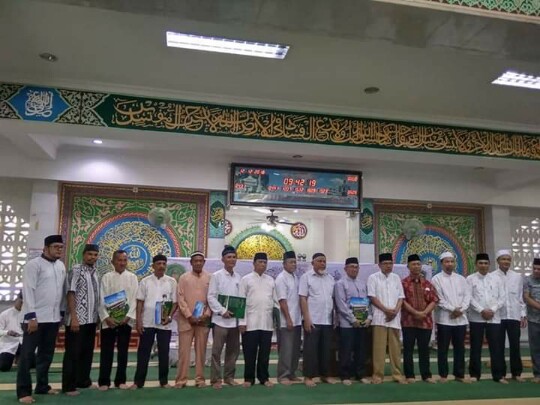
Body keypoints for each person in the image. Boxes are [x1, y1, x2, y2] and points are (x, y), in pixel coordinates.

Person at [17, 234, 66, 404]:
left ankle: (42, 386)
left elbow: (60, 292)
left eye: (61, 247)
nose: (59, 249)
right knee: (27, 356)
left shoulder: (60, 266)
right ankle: (23, 392)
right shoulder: (33, 265)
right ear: (46, 248)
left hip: (52, 319)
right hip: (34, 319)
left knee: (46, 354)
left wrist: (60, 314)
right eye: (56, 247)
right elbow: (28, 291)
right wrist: (31, 316)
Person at [131, 254, 178, 389]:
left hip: (164, 324)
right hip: (147, 322)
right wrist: (139, 321)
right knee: (143, 353)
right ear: (153, 266)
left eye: (164, 263)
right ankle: (138, 382)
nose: (161, 266)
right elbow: (139, 302)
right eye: (159, 264)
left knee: (164, 352)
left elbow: (175, 303)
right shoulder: (145, 281)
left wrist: (169, 316)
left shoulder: (172, 282)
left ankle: (163, 381)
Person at [62, 243, 101, 396]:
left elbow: (96, 297)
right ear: (84, 255)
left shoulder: (96, 272)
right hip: (77, 320)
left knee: (86, 352)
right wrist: (74, 318)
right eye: (90, 254)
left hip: (91, 320)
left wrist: (97, 317)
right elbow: (70, 293)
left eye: (95, 255)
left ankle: (83, 381)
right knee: (73, 353)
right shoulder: (76, 270)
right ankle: (68, 386)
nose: (93, 257)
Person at [98, 249, 138, 391]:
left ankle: (120, 380)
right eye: (119, 260)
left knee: (123, 352)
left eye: (124, 260)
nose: (122, 263)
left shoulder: (132, 277)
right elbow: (101, 298)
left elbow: (134, 299)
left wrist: (128, 317)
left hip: (125, 321)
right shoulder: (106, 277)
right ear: (113, 262)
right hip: (109, 321)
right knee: (106, 352)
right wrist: (106, 317)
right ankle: (104, 382)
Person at [431, 251, 471, 383]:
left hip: (460, 319)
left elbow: (467, 297)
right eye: (446, 261)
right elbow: (438, 298)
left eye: (451, 261)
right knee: (443, 349)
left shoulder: (461, 279)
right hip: (444, 319)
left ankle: (459, 374)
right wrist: (453, 309)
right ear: (441, 264)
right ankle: (443, 375)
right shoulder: (436, 279)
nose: (449, 264)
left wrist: (461, 309)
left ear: (455, 263)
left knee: (460, 348)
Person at [238, 252, 277, 388]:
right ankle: (248, 379)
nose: (262, 264)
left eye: (265, 262)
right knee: (249, 353)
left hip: (266, 323)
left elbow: (275, 301)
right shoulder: (246, 279)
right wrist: (242, 322)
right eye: (260, 262)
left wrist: (276, 321)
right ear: (254, 263)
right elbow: (241, 302)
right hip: (250, 323)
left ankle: (264, 378)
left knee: (265, 353)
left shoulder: (271, 280)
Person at [467, 253, 506, 383]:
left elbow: (502, 297)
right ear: (476, 264)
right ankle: (474, 375)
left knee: (496, 347)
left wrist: (493, 310)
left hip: (494, 318)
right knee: (475, 347)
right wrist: (481, 310)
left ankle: (498, 376)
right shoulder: (470, 279)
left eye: (485, 263)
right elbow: (469, 298)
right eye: (481, 263)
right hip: (476, 318)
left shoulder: (497, 279)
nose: (483, 266)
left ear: (489, 265)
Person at [299, 252, 336, 387]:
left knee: (326, 350)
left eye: (324, 261)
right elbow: (303, 298)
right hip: (313, 319)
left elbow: (332, 299)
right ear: (312, 263)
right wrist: (307, 318)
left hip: (327, 319)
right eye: (319, 261)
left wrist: (334, 318)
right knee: (311, 350)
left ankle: (325, 375)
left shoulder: (330, 278)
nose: (322, 264)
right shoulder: (306, 277)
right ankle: (308, 376)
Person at [367, 253, 406, 384]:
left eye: (390, 263)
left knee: (396, 349)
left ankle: (397, 375)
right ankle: (378, 375)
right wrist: (386, 310)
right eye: (385, 263)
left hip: (394, 318)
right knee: (379, 349)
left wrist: (394, 311)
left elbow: (401, 297)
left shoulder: (396, 278)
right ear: (379, 265)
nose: (388, 266)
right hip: (380, 318)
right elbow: (372, 297)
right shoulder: (373, 278)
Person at [175, 251, 211, 388]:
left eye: (200, 261)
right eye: (195, 261)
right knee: (184, 352)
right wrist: (189, 315)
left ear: (204, 262)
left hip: (203, 320)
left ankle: (200, 379)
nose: (198, 263)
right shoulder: (184, 278)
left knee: (201, 351)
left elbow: (212, 299)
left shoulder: (209, 278)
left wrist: (206, 314)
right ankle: (181, 380)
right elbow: (180, 298)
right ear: (191, 263)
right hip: (186, 320)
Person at [207, 245, 242, 389]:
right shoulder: (216, 276)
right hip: (220, 321)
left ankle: (229, 377)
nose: (232, 260)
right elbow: (211, 296)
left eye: (234, 257)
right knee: (216, 352)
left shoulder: (239, 277)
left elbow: (241, 299)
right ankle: (215, 380)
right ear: (223, 259)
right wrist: (222, 311)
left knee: (233, 352)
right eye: (229, 257)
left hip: (234, 322)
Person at [401, 254, 438, 384]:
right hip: (408, 322)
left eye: (418, 264)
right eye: (413, 264)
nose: (416, 266)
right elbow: (402, 300)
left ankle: (426, 375)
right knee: (408, 350)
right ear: (408, 266)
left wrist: (424, 313)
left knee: (424, 350)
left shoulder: (427, 283)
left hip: (425, 322)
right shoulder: (403, 283)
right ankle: (409, 375)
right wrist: (415, 312)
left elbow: (434, 300)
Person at [335, 257, 372, 385]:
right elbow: (341, 305)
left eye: (356, 267)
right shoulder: (340, 284)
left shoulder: (362, 283)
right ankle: (345, 376)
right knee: (346, 350)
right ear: (345, 269)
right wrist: (352, 319)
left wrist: (369, 318)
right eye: (351, 267)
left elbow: (367, 303)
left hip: (362, 323)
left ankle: (360, 374)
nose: (354, 269)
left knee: (361, 350)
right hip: (347, 324)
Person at [493, 249, 527, 382]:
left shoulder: (517, 277)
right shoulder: (492, 276)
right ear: (498, 261)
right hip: (498, 317)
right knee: (498, 346)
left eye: (508, 259)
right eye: (503, 259)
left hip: (514, 315)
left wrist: (523, 314)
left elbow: (520, 297)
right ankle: (500, 374)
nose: (506, 262)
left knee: (515, 346)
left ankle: (516, 373)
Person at [275, 251, 301, 385]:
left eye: (295, 262)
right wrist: (289, 319)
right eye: (291, 262)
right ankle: (283, 375)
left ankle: (292, 373)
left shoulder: (295, 277)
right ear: (284, 264)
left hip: (297, 320)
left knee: (295, 349)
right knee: (286, 349)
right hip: (286, 321)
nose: (293, 264)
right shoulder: (281, 278)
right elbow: (282, 301)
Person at [524, 257, 540, 384]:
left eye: (539, 269)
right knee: (535, 348)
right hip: (534, 319)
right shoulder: (527, 280)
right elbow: (526, 297)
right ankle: (538, 374)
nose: (536, 271)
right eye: (534, 268)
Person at [0, 293, 23, 372]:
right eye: (21, 302)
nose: (22, 305)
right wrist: (7, 332)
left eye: (24, 303)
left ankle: (19, 357)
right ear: (16, 300)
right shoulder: (5, 314)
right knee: (4, 367)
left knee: (32, 365)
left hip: (24, 343)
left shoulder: (28, 314)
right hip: (9, 344)